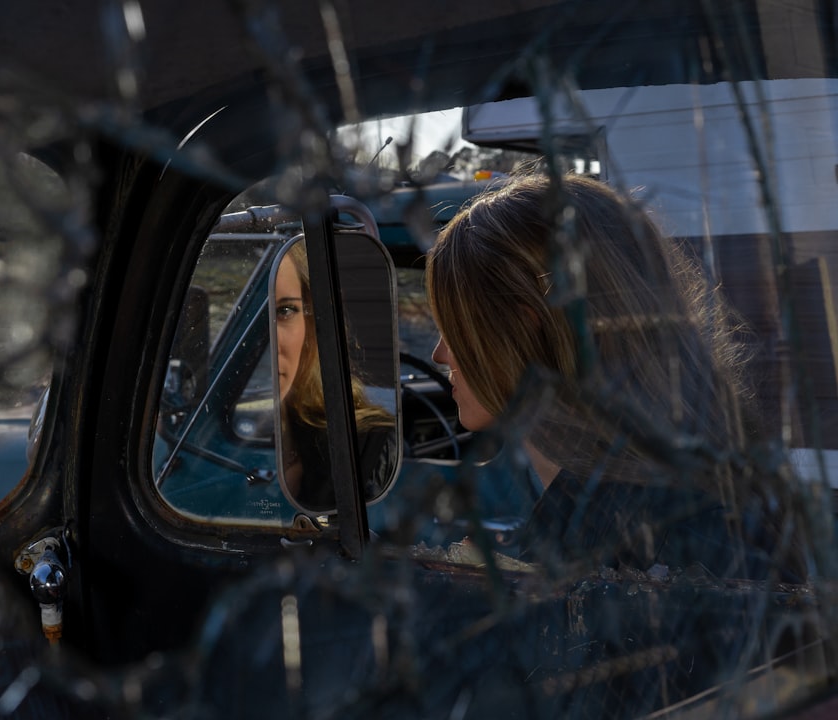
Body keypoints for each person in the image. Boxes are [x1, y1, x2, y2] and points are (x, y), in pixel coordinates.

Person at [425, 172, 802, 580]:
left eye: (455, 329)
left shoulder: (681, 536)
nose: (439, 354)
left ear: (524, 329)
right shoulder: (626, 497)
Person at [274, 240, 397, 513]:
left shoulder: (365, 446)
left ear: (312, 325)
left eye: (285, 311)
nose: (270, 340)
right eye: (247, 315)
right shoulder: (198, 445)